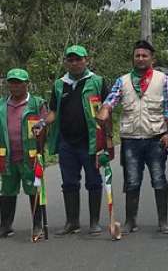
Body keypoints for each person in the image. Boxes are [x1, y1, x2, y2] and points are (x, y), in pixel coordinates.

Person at [97, 40, 168, 234]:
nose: (140, 59)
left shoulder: (162, 79)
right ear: (133, 58)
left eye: (144, 55)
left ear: (152, 59)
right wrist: (105, 110)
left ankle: (163, 221)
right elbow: (110, 101)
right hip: (130, 139)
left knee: (159, 179)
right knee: (132, 181)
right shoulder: (122, 81)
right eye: (137, 55)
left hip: (156, 137)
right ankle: (130, 220)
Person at [45, 45, 111, 236]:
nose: (74, 63)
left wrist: (107, 139)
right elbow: (53, 111)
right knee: (69, 183)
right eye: (70, 60)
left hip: (90, 141)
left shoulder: (97, 81)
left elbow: (107, 109)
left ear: (86, 60)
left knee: (93, 181)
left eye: (78, 59)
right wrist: (42, 123)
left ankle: (94, 222)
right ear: (66, 62)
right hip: (67, 142)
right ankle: (72, 222)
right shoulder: (59, 84)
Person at [0, 69, 47, 238]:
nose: (15, 86)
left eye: (19, 82)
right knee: (6, 191)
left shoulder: (37, 103)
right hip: (7, 158)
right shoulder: (1, 105)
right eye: (12, 82)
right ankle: (5, 226)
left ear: (27, 83)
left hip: (31, 156)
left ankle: (37, 226)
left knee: (34, 190)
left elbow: (46, 121)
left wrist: (42, 127)